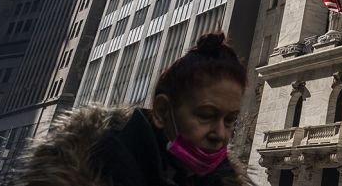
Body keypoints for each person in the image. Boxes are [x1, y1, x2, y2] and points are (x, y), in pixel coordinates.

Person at [13, 32, 253, 186]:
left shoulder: (220, 179)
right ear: (161, 112)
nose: (220, 134)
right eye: (206, 116)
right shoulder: (83, 170)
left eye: (231, 120)